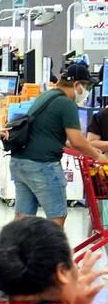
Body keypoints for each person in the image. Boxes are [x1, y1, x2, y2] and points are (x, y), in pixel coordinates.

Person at [7, 62, 107, 226]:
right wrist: (97, 156)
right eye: (86, 86)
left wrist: (79, 146)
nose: (87, 92)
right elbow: (76, 140)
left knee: (22, 220)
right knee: (56, 218)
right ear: (76, 84)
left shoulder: (47, 95)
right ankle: (52, 252)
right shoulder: (66, 103)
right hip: (43, 165)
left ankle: (19, 251)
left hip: (20, 162)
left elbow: (53, 134)